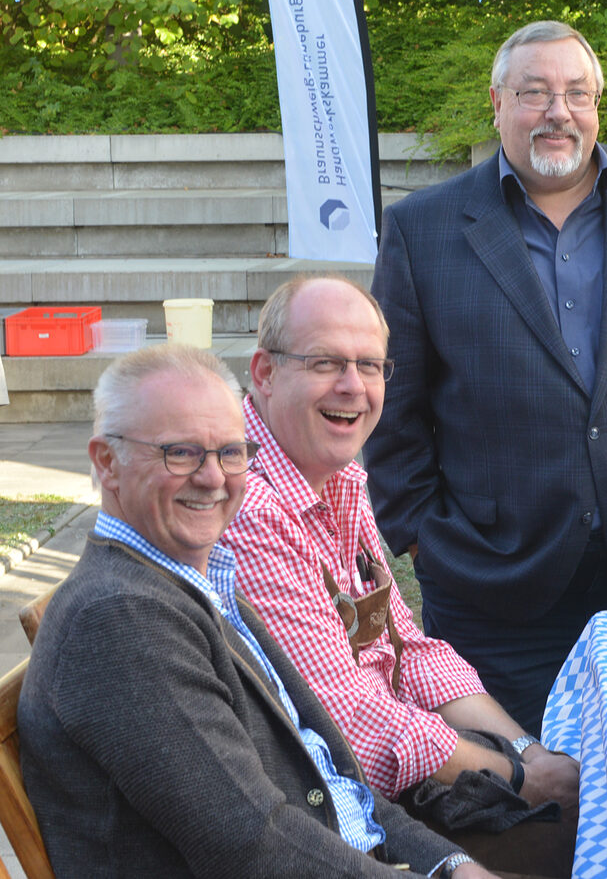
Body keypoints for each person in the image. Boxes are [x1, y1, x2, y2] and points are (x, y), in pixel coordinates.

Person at [367, 19, 607, 734]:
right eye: (535, 93)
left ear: (598, 105)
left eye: (577, 93)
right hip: (498, 589)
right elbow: (389, 412)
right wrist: (429, 539)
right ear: (496, 103)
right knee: (524, 803)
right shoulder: (423, 229)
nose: (558, 111)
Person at [17, 344, 495, 878]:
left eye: (230, 452)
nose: (213, 478)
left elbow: (340, 784)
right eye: (180, 453)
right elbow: (253, 846)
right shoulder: (120, 617)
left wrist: (454, 866)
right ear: (108, 462)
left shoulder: (197, 577)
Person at [223, 274, 578, 876]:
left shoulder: (332, 474)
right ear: (264, 373)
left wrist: (528, 752)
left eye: (370, 365)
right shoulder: (250, 510)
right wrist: (518, 777)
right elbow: (348, 727)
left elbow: (406, 648)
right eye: (326, 362)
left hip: (385, 799)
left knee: (605, 810)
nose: (353, 387)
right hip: (338, 826)